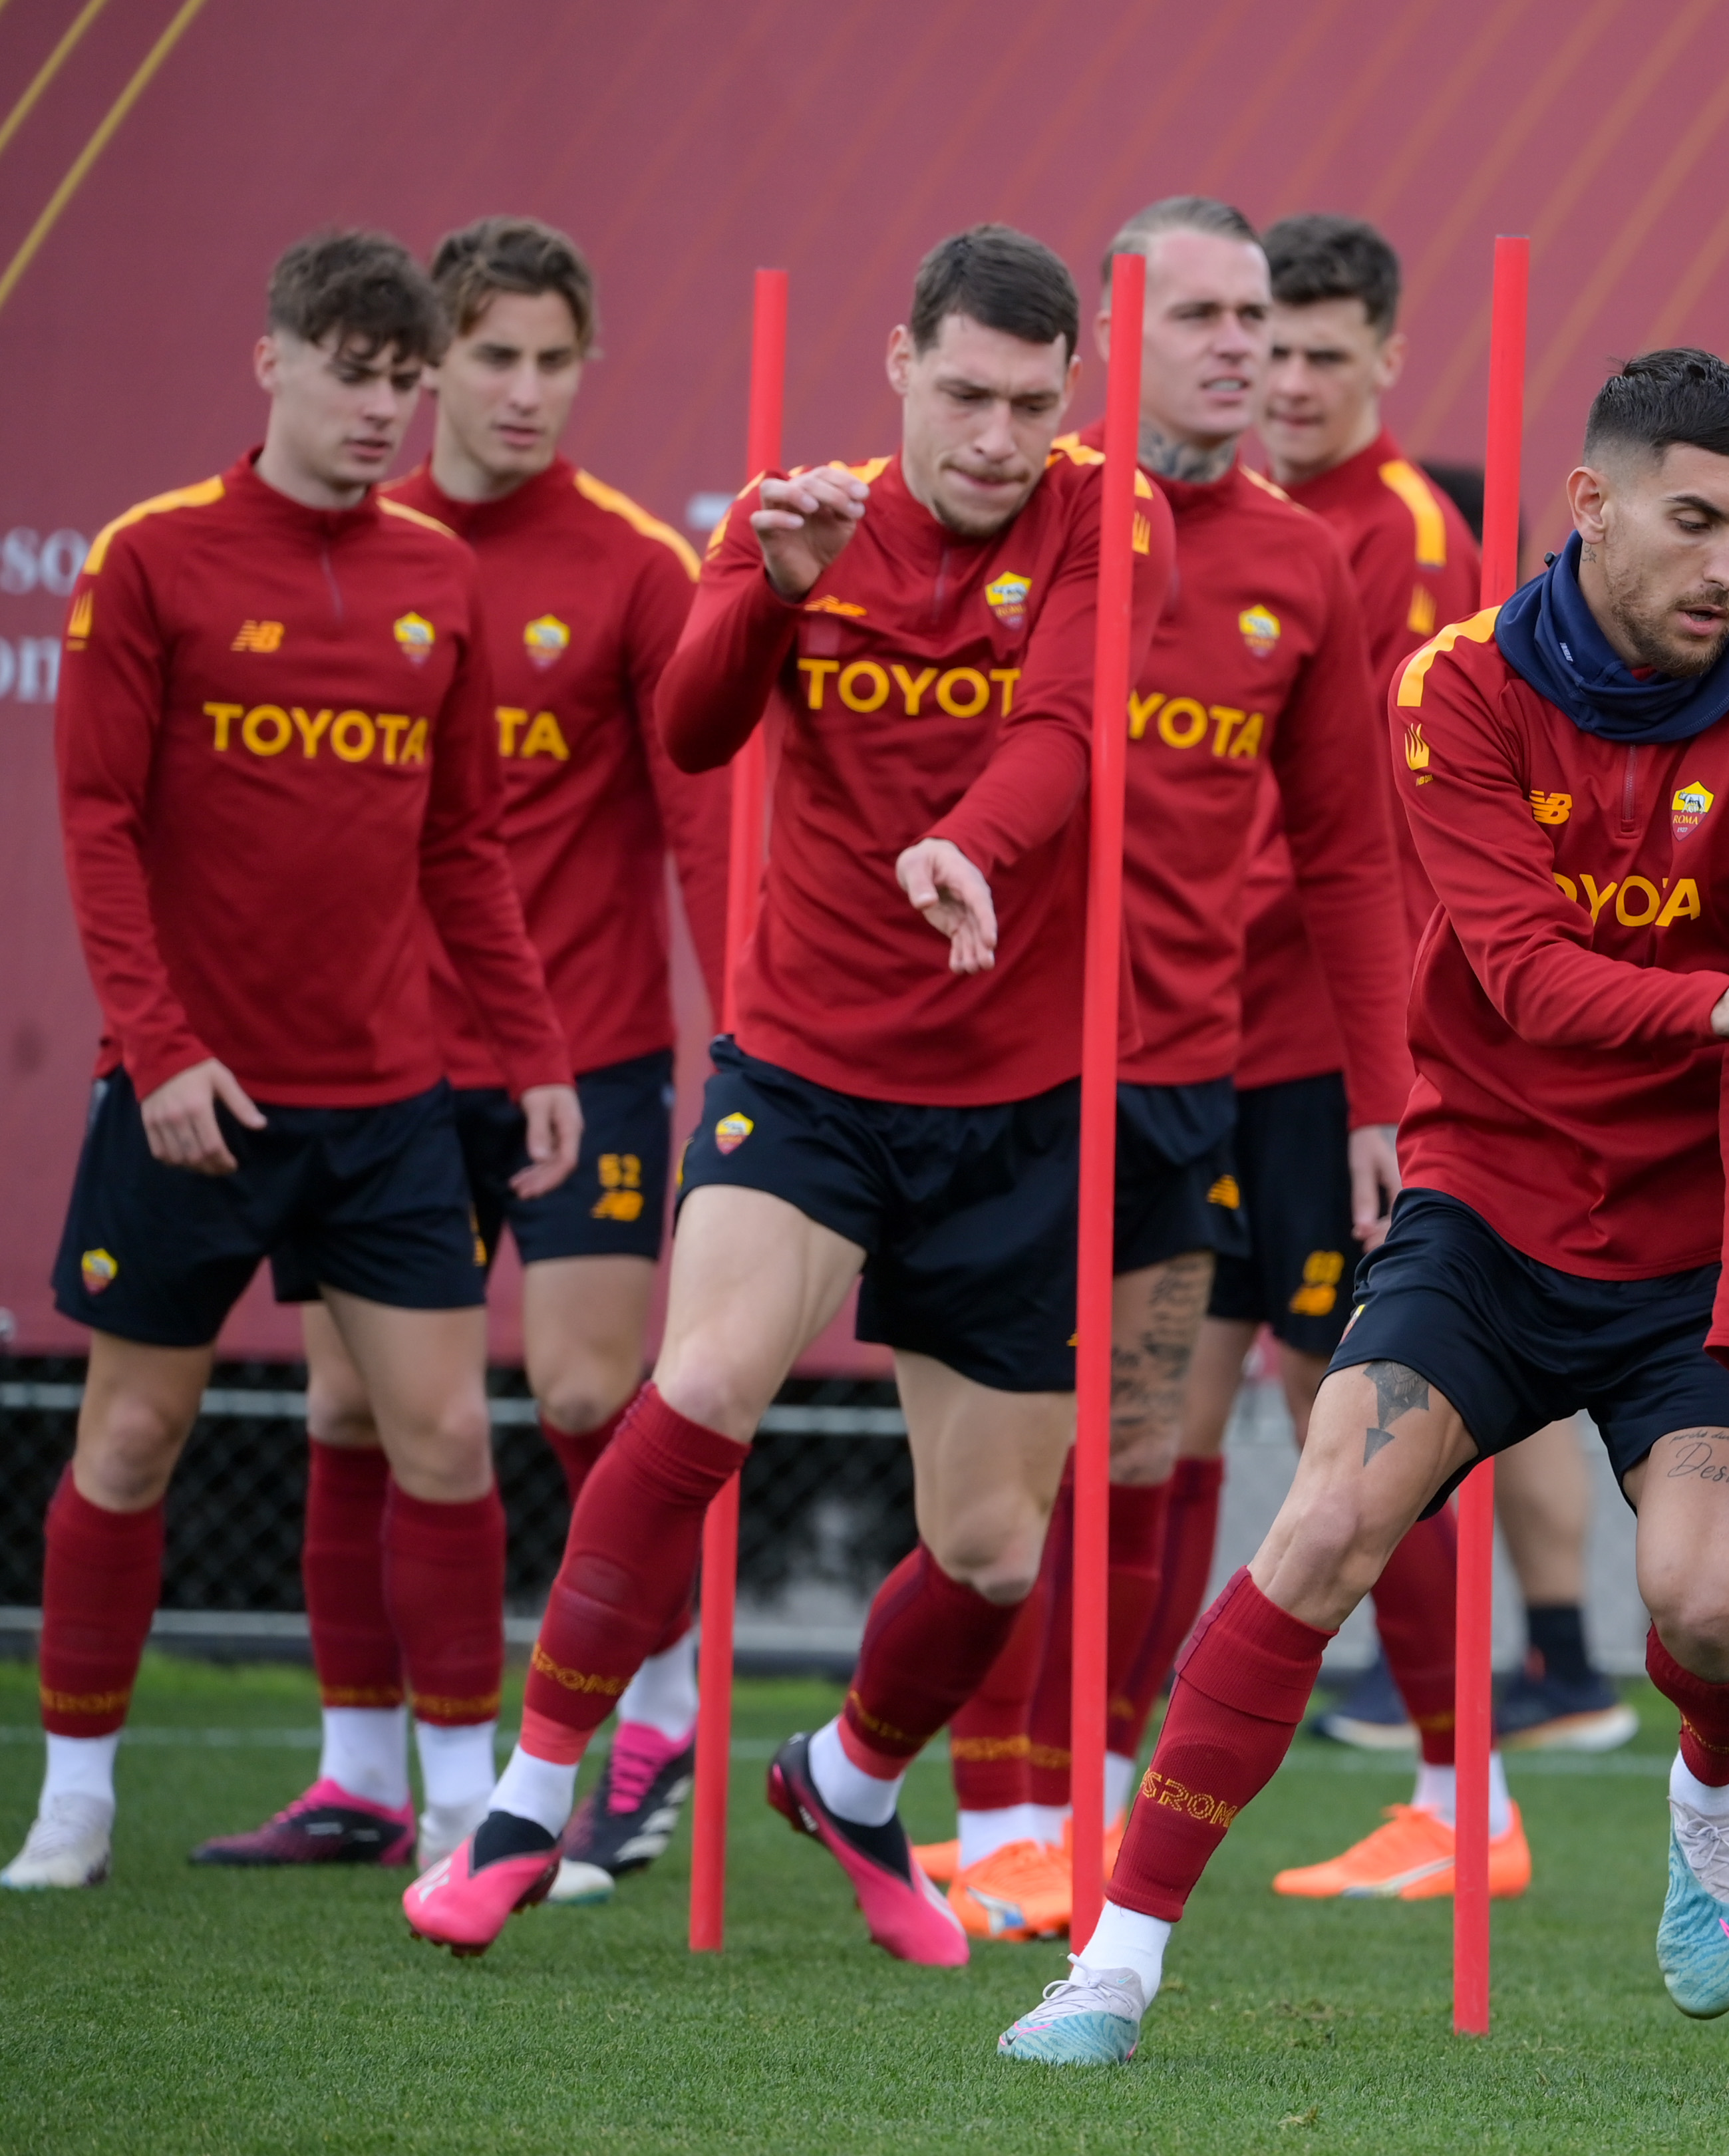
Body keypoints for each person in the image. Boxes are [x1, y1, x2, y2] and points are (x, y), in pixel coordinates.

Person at [1001, 347, 1729, 2065]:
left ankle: (1716, 1794)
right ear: (1589, 502)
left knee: (1704, 1615)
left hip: (1703, 1228)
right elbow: (1522, 976)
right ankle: (1112, 1959)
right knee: (1324, 1522)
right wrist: (1715, 1003)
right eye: (1693, 520)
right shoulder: (1454, 691)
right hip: (1486, 1190)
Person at [399, 224, 1170, 1963]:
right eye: (962, 392)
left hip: (1021, 1096)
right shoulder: (797, 513)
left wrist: (971, 847)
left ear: (1074, 395)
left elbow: (1068, 722)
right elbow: (687, 725)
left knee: (986, 1551)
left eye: (1028, 405)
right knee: (702, 1383)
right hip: (808, 1066)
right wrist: (765, 586)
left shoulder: (1106, 513)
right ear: (896, 360)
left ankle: (848, 1775)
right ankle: (527, 1798)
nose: (991, 435)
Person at [8, 231, 577, 1893]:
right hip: (189, 1104)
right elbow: (96, 830)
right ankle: (75, 1805)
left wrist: (532, 1048)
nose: (382, 409)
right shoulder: (151, 559)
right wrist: (162, 1051)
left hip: (392, 1102)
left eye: (406, 382)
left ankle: (471, 1817)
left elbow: (464, 844)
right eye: (351, 371)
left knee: (450, 1444)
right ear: (269, 362)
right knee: (126, 1442)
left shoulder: (435, 578)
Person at [187, 218, 729, 1891]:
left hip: (595, 1053)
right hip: (388, 1065)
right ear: (425, 371)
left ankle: (658, 1703)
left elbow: (704, 824)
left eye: (555, 360)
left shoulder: (640, 562)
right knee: (349, 1406)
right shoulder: (357, 546)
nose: (523, 391)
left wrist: (757, 1037)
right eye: (490, 356)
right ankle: (359, 1773)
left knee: (581, 1390)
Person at [921, 196, 1412, 1946]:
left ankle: (1069, 1808)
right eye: (1200, 313)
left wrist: (1379, 1097)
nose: (1242, 347)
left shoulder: (1302, 562)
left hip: (1178, 1080)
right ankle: (973, 1810)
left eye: (1259, 316)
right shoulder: (1021, 521)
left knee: (1132, 1453)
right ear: (1112, 336)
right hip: (979, 1075)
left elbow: (1352, 856)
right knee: (999, 1482)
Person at [1237, 219, 1636, 1794]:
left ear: (1390, 359)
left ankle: (1470, 1739)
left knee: (1397, 1381)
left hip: (1368, 1032)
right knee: (1243, 1394)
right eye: (1268, 346)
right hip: (1221, 1023)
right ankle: (1483, 1700)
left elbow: (1365, 814)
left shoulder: (1397, 530)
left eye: (1325, 352)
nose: (1289, 380)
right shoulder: (1230, 513)